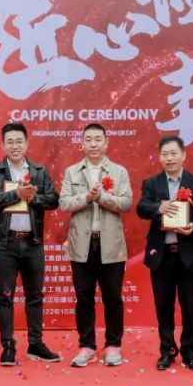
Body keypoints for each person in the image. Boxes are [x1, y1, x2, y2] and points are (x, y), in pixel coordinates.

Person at [0, 123, 61, 366]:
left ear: (27, 143)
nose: (15, 146)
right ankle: (8, 346)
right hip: (4, 244)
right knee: (5, 296)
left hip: (33, 243)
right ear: (2, 145)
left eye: (19, 141)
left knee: (35, 296)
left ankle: (35, 343)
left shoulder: (38, 171)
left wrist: (32, 197)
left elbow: (53, 199)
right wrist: (15, 195)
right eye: (10, 142)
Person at [136, 135, 193, 371]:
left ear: (183, 155)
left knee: (189, 307)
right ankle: (167, 351)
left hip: (187, 253)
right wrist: (157, 207)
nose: (169, 158)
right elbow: (141, 208)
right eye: (165, 154)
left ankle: (190, 352)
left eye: (173, 153)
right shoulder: (152, 183)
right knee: (164, 306)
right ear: (160, 157)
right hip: (161, 255)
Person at [59, 124, 133, 367]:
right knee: (84, 297)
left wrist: (102, 197)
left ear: (106, 142)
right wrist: (86, 198)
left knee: (113, 296)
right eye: (88, 139)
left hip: (110, 244)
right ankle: (86, 346)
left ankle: (113, 345)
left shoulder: (119, 171)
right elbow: (64, 203)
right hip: (82, 244)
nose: (93, 144)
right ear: (81, 143)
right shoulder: (72, 172)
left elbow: (126, 203)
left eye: (97, 139)